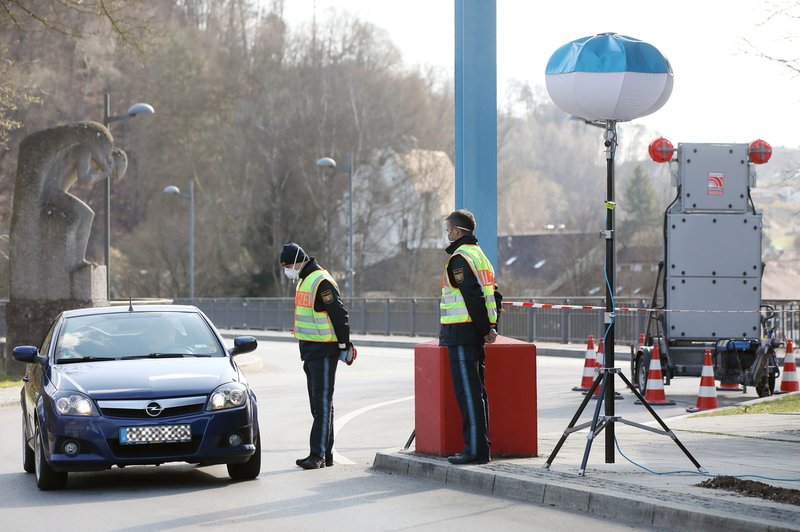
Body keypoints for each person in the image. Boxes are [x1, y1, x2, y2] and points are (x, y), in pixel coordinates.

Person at [280, 242, 352, 470]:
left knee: (321, 405)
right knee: (320, 405)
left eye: (288, 265)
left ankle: (317, 455)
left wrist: (343, 344)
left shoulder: (320, 281)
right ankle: (325, 454)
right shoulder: (303, 279)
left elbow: (339, 314)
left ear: (299, 260)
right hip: (310, 350)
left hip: (324, 350)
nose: (287, 270)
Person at [440, 209, 501, 465]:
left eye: (448, 230)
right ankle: (479, 447)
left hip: (463, 333)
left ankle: (475, 450)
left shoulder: (460, 258)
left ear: (456, 231)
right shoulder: (480, 256)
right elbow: (494, 295)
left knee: (469, 394)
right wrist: (491, 326)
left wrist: (483, 329)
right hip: (473, 333)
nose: (447, 234)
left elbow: (473, 296)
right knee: (477, 393)